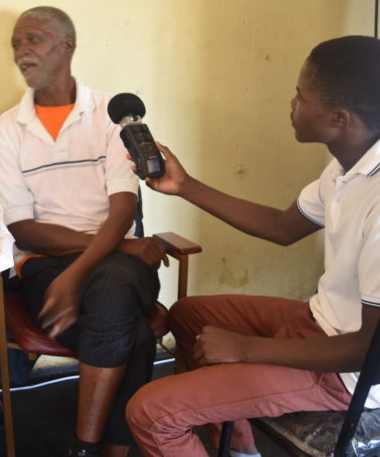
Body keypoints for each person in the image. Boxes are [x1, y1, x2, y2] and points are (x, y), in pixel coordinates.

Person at [125, 35, 380, 457]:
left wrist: (244, 348)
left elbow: (368, 351)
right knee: (189, 315)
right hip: (320, 321)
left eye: (301, 96)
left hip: (346, 373)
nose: (292, 104)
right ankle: (243, 450)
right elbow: (281, 227)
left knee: (151, 414)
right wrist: (184, 185)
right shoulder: (346, 167)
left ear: (339, 118)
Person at [0, 6, 169, 457]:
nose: (21, 51)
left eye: (33, 39)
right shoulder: (8, 127)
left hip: (114, 264)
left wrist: (79, 272)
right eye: (16, 43)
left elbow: (123, 209)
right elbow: (23, 229)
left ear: (67, 45)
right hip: (48, 267)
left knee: (112, 289)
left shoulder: (112, 114)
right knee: (132, 330)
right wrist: (115, 249)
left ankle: (83, 447)